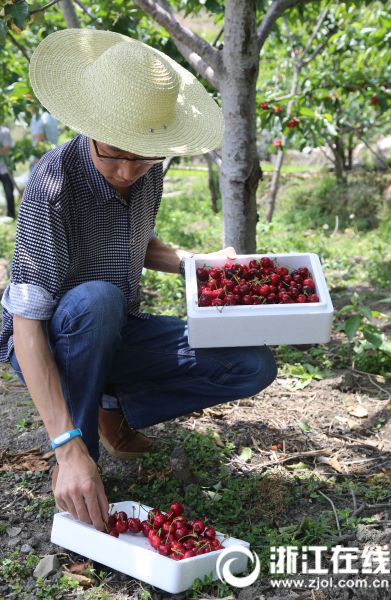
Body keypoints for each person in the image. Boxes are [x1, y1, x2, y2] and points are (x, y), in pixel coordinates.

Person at [0, 29, 277, 531]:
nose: (128, 171)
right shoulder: (52, 184)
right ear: (89, 128)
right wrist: (65, 449)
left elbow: (135, 244)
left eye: (142, 156)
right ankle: (79, 458)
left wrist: (198, 262)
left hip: (115, 328)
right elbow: (26, 321)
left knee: (250, 363)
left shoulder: (149, 172)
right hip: (54, 337)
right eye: (113, 154)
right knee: (98, 300)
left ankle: (111, 403)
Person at [0, 125, 16, 219]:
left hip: (5, 167)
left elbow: (6, 149)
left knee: (9, 192)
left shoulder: (4, 131)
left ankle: (11, 215)